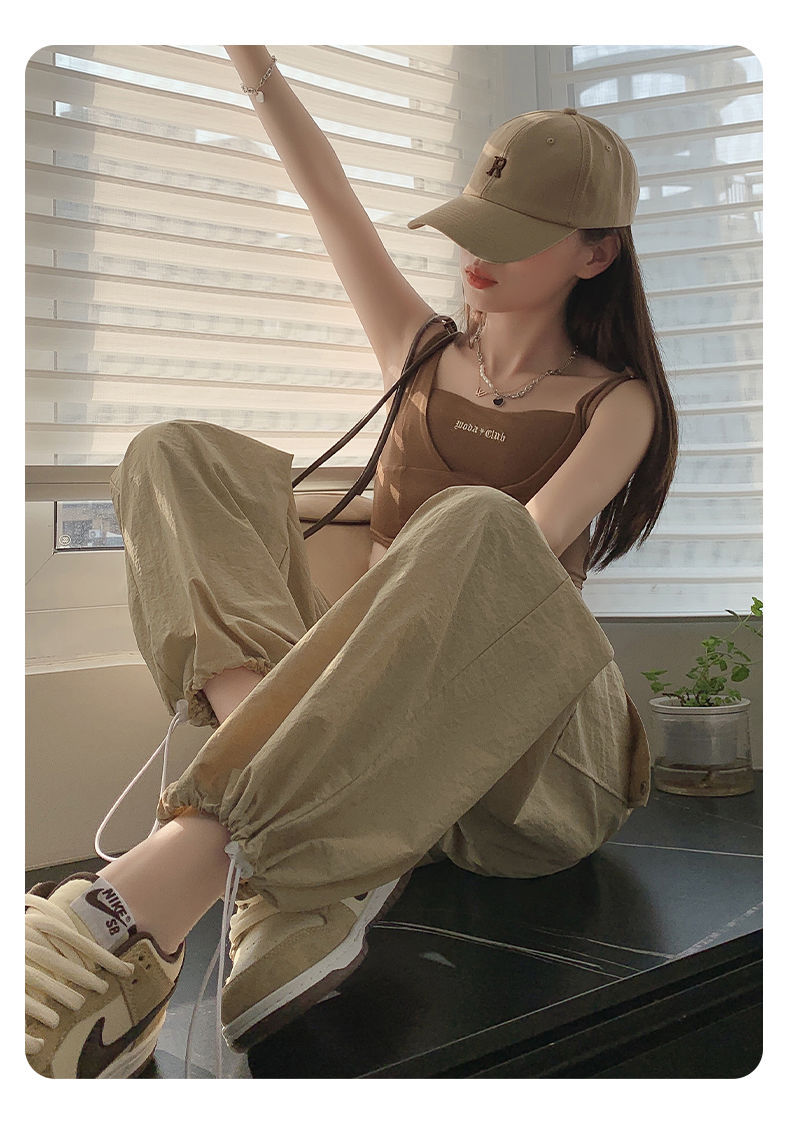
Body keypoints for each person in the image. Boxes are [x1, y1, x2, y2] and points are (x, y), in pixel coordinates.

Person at [24, 45, 678, 1080]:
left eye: (517, 236)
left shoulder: (617, 402)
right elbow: (328, 198)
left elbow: (515, 559)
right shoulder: (421, 352)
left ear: (595, 256)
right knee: (172, 451)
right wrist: (256, 67)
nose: (478, 254)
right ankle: (286, 850)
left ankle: (147, 899)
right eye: (475, 224)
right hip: (373, 766)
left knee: (481, 524)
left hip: (531, 770)